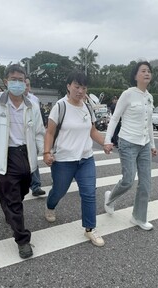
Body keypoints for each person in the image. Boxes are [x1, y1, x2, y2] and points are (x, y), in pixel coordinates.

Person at [0, 64, 44, 259]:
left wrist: (45, 152)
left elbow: (38, 132)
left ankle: (10, 211)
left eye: (21, 80)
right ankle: (22, 239)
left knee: (22, 191)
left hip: (25, 154)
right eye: (14, 79)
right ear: (6, 82)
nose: (18, 83)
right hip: (5, 154)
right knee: (13, 198)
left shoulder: (32, 105)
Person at [43, 71, 109, 247]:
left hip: (85, 158)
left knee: (89, 193)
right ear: (68, 86)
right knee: (59, 191)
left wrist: (106, 143)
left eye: (84, 87)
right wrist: (46, 152)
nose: (80, 91)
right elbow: (49, 132)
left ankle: (90, 228)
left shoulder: (87, 107)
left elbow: (92, 131)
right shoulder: (60, 106)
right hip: (64, 160)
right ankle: (50, 206)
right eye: (77, 86)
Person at [103, 61, 158, 231]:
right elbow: (115, 118)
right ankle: (110, 198)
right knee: (128, 180)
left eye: (149, 71)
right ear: (136, 76)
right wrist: (107, 140)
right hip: (127, 142)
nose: (147, 73)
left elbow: (148, 123)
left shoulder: (149, 97)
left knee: (146, 183)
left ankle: (138, 217)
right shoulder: (127, 94)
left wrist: (153, 144)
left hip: (144, 143)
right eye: (143, 71)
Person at [25, 76, 45, 196]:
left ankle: (36, 186)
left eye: (27, 84)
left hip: (32, 136)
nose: (25, 87)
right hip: (16, 142)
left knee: (33, 160)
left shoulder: (34, 100)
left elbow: (38, 120)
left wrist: (44, 149)